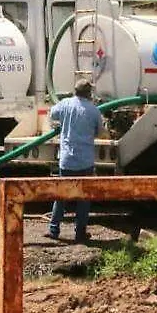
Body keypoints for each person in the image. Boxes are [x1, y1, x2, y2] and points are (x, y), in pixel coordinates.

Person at [45, 79, 104, 244]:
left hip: (67, 160)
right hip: (85, 161)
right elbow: (100, 132)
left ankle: (54, 229)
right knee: (83, 199)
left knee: (61, 196)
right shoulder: (94, 110)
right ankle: (80, 233)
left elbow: (52, 114)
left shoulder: (65, 104)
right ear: (89, 93)